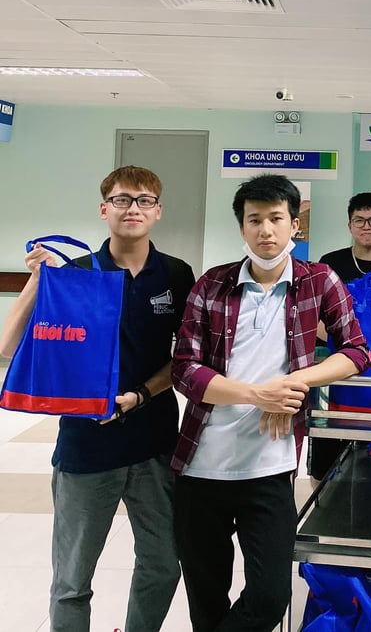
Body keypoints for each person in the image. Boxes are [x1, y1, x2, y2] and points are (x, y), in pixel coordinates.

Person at [170, 173, 370, 632]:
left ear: (294, 224)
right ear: (241, 227)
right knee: (206, 596)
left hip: (269, 467)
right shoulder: (212, 285)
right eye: (254, 219)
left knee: (270, 595)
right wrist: (256, 394)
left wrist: (295, 382)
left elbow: (357, 351)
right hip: (202, 467)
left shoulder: (318, 280)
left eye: (276, 218)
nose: (266, 230)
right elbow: (184, 367)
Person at [0, 165, 195, 632]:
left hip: (153, 441)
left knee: (164, 563)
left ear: (158, 211)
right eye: (123, 199)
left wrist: (140, 395)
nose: (134, 208)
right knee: (72, 578)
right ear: (104, 208)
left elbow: (186, 359)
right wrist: (38, 281)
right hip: (87, 446)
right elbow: (8, 347)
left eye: (145, 200)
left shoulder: (175, 274)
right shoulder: (78, 273)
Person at [308, 192, 371, 484]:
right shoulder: (329, 264)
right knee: (328, 435)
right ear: (350, 225)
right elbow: (311, 314)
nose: (367, 226)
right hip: (333, 360)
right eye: (359, 220)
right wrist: (343, 346)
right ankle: (321, 503)